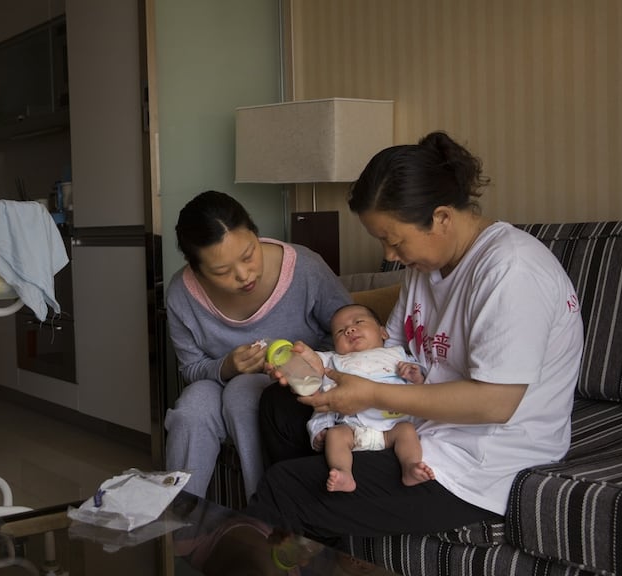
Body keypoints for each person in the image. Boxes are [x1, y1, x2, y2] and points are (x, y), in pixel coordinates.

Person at [246, 131, 584, 542]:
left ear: (441, 217)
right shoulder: (425, 267)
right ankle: (327, 530)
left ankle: (310, 519)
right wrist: (318, 370)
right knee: (279, 406)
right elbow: (387, 350)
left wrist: (370, 395)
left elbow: (496, 404)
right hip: (419, 422)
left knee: (288, 488)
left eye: (393, 240)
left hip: (483, 458)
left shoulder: (510, 272)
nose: (388, 255)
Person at [165, 190, 351, 500]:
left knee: (243, 393)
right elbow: (191, 368)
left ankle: (266, 509)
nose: (243, 275)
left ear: (256, 232)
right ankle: (179, 522)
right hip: (218, 382)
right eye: (222, 272)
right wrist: (226, 366)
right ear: (195, 270)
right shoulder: (181, 294)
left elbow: (351, 331)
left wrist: (300, 361)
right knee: (191, 409)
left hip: (297, 384)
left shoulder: (305, 268)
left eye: (249, 254)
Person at [291, 303, 433, 493]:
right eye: (340, 331)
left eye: (358, 322)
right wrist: (318, 431)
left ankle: (410, 466)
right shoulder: (331, 361)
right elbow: (322, 400)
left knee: (407, 431)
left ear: (383, 332)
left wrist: (415, 376)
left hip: (393, 427)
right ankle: (343, 473)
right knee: (335, 435)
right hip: (354, 428)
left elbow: (423, 388)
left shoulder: (397, 354)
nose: (349, 329)